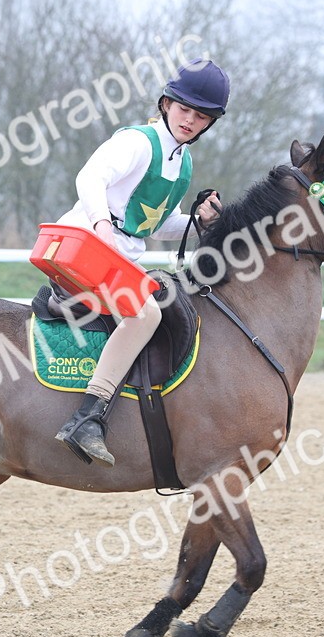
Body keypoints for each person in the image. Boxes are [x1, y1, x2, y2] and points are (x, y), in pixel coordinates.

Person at [54, 58, 230, 466]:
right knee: (145, 312)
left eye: (201, 116)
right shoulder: (137, 142)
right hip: (84, 246)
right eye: (184, 109)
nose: (190, 121)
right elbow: (89, 178)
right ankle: (87, 418)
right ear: (166, 104)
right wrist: (101, 225)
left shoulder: (182, 162)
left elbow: (155, 224)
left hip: (116, 258)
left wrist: (199, 221)